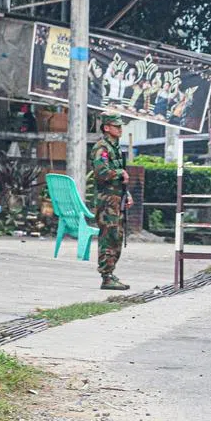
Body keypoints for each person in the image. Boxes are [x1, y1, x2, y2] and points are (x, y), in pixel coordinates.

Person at [91, 113, 133, 291]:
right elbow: (101, 173)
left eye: (121, 126)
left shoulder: (114, 147)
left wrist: (127, 194)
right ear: (106, 127)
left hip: (117, 199)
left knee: (117, 236)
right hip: (107, 201)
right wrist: (120, 173)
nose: (120, 129)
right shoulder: (102, 148)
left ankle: (110, 273)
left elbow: (117, 175)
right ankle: (106, 276)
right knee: (109, 236)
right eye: (116, 126)